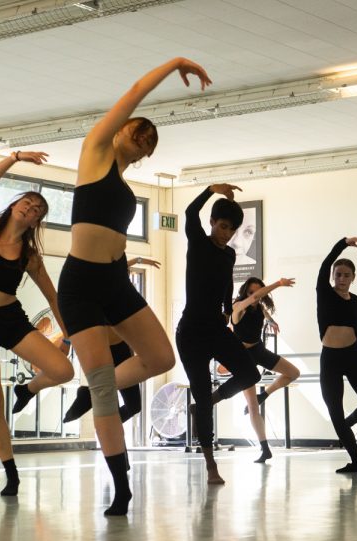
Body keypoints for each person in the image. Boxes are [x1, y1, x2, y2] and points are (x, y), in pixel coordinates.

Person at [58, 58, 209, 514]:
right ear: (121, 130)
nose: (143, 140)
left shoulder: (125, 182)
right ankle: (121, 485)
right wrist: (176, 65)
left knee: (162, 358)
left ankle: (91, 391)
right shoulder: (94, 151)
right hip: (81, 282)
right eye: (139, 131)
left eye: (151, 142)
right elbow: (136, 90)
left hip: (114, 279)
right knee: (107, 387)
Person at [0, 152, 75, 497]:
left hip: (10, 320)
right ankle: (10, 472)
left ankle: (27, 389)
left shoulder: (29, 256)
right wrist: (15, 157)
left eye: (38, 210)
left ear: (35, 222)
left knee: (64, 370)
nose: (31, 209)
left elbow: (54, 297)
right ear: (14, 207)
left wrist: (69, 334)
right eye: (27, 203)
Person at [176, 183, 261, 484]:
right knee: (198, 389)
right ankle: (211, 465)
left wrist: (227, 309)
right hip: (191, 333)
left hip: (216, 327)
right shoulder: (197, 242)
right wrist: (211, 189)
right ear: (212, 222)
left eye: (232, 230)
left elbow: (226, 286)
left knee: (251, 374)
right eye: (223, 226)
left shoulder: (229, 256)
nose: (226, 233)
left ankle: (209, 400)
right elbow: (189, 211)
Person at [62, 257, 162, 424]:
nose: (127, 276)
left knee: (134, 406)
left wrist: (140, 260)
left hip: (123, 351)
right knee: (110, 406)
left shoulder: (124, 297)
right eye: (125, 274)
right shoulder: (101, 296)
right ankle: (111, 436)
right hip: (106, 353)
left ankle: (90, 398)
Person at [317, 237, 357, 474]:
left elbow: (356, 328)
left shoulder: (356, 301)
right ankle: (356, 461)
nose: (342, 278)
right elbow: (325, 263)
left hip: (353, 357)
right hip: (331, 360)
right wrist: (343, 243)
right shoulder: (324, 292)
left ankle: (347, 424)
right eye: (338, 274)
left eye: (346, 275)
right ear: (333, 276)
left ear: (353, 278)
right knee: (334, 409)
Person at [230, 276, 300, 462]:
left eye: (257, 291)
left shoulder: (259, 307)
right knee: (253, 406)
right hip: (243, 358)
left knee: (293, 373)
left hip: (259, 350)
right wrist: (278, 284)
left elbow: (262, 310)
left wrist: (271, 322)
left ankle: (265, 395)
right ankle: (265, 448)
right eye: (251, 292)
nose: (255, 295)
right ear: (246, 292)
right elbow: (253, 299)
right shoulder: (238, 307)